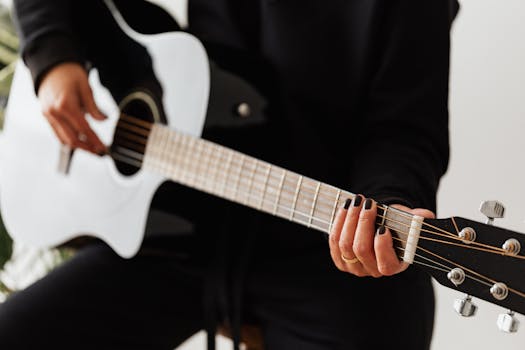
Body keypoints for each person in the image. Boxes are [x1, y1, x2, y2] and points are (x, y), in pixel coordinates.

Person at [0, 0, 458, 349]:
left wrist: (390, 201)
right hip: (173, 230)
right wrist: (53, 53)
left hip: (323, 254)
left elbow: (404, 128)